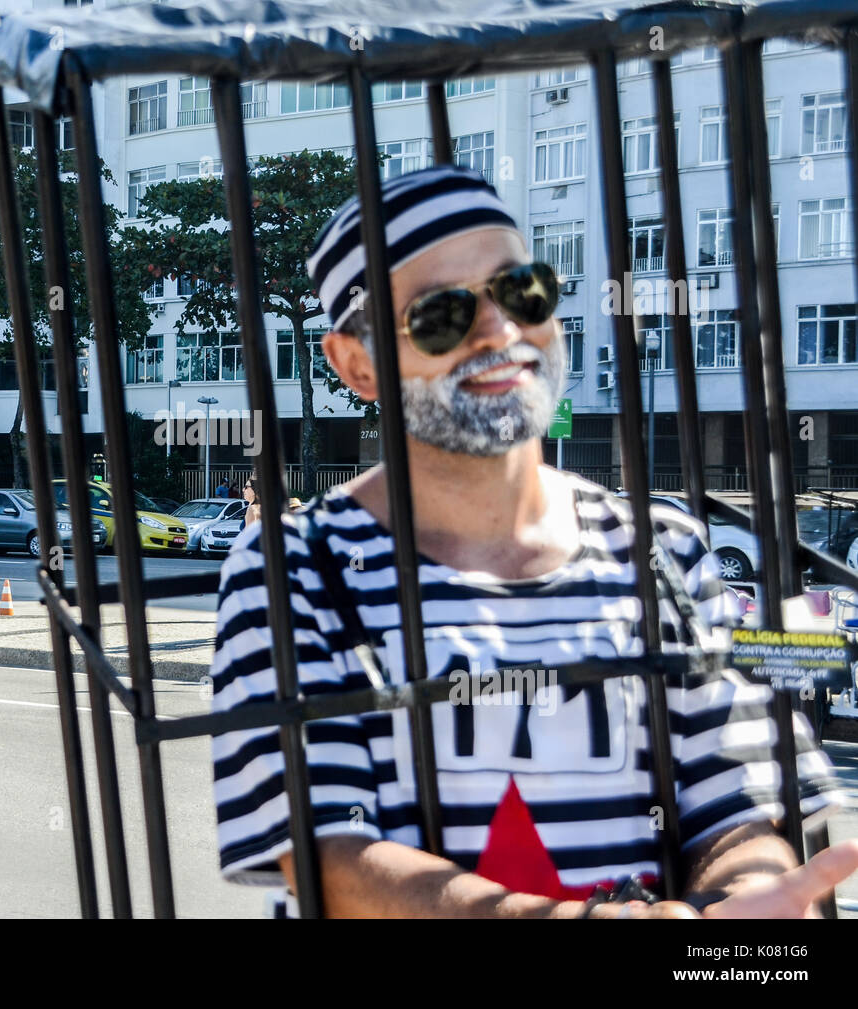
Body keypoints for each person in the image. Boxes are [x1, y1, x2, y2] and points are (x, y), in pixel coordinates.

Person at [211, 164, 856, 918]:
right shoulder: (295, 569)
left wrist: (739, 907)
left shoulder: (664, 551)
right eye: (442, 313)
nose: (501, 329)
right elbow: (328, 857)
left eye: (522, 291)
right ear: (357, 363)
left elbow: (737, 808)